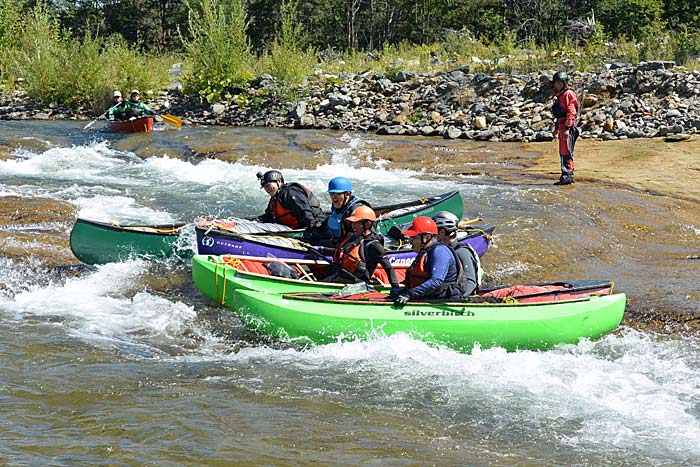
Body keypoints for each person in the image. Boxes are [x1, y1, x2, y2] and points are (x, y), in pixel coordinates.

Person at [391, 216, 469, 306]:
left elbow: (436, 282)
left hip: (445, 300)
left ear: (427, 237)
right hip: (428, 297)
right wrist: (403, 291)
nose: (410, 241)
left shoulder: (440, 251)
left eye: (414, 238)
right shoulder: (425, 252)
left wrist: (409, 294)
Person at [325, 205, 400, 294]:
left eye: (356, 223)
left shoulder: (374, 245)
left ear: (367, 224)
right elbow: (341, 252)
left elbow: (388, 268)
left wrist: (395, 286)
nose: (353, 226)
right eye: (352, 223)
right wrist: (321, 249)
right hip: (341, 278)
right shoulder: (353, 238)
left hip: (357, 286)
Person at [255, 170, 326, 232]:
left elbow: (305, 213)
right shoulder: (274, 200)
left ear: (279, 181)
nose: (266, 189)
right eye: (264, 187)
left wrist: (313, 230)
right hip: (293, 228)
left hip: (315, 225)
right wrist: (255, 221)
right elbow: (268, 217)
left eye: (268, 185)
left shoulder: (290, 192)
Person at [432, 211, 481, 296]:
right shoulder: (444, 250)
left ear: (442, 232)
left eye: (435, 232)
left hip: (461, 298)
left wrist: (456, 299)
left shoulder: (461, 252)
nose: (433, 236)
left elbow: (471, 283)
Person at [551, 71, 580, 185]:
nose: (557, 85)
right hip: (562, 125)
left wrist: (567, 129)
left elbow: (571, 112)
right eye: (556, 83)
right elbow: (559, 115)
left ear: (564, 83)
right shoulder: (560, 95)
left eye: (559, 83)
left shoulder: (568, 94)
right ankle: (565, 174)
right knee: (563, 151)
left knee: (567, 151)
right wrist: (557, 128)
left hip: (568, 126)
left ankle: (568, 175)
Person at [322, 176, 371, 245]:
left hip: (353, 244)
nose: (333, 197)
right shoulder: (337, 203)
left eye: (337, 194)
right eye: (331, 193)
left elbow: (363, 236)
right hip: (337, 239)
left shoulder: (357, 210)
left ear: (347, 194)